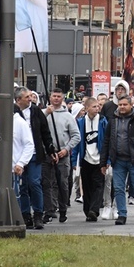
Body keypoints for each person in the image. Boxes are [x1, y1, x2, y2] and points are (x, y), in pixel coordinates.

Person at [99, 95, 134, 225]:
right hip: (118, 160)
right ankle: (122, 214)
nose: (122, 107)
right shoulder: (112, 121)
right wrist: (103, 162)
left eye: (125, 105)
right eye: (120, 105)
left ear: (131, 105)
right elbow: (107, 141)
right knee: (118, 188)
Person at [15, 86, 57, 230]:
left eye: (31, 96)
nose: (30, 99)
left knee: (35, 182)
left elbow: (45, 131)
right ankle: (25, 214)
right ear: (18, 99)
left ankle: (38, 213)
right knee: (23, 186)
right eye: (27, 97)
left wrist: (50, 149)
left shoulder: (36, 111)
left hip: (34, 153)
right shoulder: (13, 113)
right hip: (18, 154)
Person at [42, 88, 80, 223]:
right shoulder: (44, 113)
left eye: (59, 96)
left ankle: (62, 208)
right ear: (50, 98)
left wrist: (66, 149)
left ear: (62, 98)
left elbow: (76, 136)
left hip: (62, 153)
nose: (56, 98)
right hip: (47, 153)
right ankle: (49, 210)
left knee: (62, 183)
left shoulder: (68, 116)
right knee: (47, 183)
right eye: (54, 96)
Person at [75, 97, 107, 222]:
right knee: (87, 186)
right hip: (86, 159)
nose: (97, 108)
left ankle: (94, 210)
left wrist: (107, 160)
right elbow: (78, 143)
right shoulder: (81, 122)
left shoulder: (103, 122)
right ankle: (88, 209)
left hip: (99, 160)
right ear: (86, 108)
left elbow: (106, 141)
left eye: (98, 106)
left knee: (98, 185)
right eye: (94, 106)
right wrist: (75, 161)